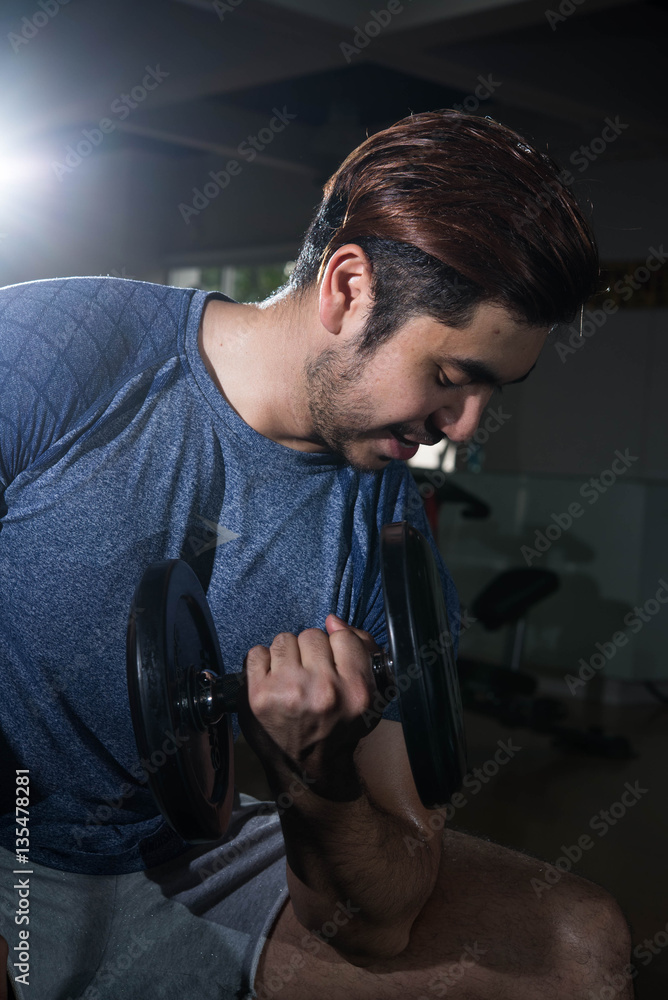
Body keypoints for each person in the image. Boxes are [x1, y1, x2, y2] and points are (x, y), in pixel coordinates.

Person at [0, 110, 633, 1000]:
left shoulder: (386, 545)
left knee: (575, 947)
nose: (465, 427)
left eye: (494, 392)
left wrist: (318, 777)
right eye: (452, 377)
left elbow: (385, 921)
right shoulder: (56, 351)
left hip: (182, 858)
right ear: (347, 287)